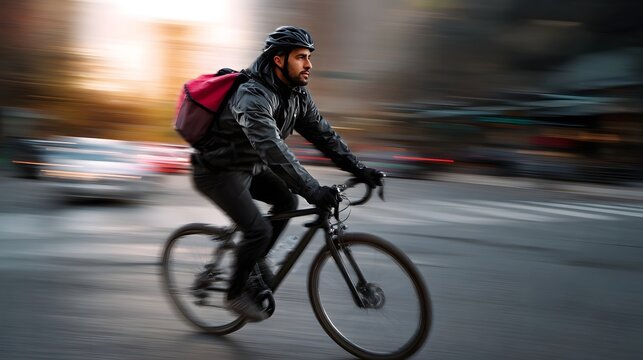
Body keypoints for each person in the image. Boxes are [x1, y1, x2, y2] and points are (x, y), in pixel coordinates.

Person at [191, 25, 383, 322]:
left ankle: (255, 261)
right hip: (217, 171)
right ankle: (235, 293)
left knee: (287, 202)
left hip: (249, 167)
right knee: (258, 230)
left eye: (309, 57)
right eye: (300, 57)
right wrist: (313, 189)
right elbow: (272, 148)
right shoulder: (251, 95)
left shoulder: (296, 96)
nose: (309, 64)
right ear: (279, 60)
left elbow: (324, 136)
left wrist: (358, 168)